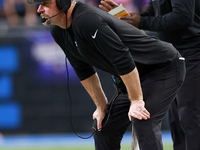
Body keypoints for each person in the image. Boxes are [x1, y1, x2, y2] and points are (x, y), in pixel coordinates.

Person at [27, 0, 186, 150]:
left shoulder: (86, 20)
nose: (39, 9)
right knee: (104, 127)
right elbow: (83, 69)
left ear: (63, 3)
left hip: (163, 67)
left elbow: (122, 58)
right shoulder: (58, 30)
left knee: (143, 119)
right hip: (134, 76)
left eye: (45, 4)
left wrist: (136, 100)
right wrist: (101, 106)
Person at [99, 0, 200, 150]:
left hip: (191, 52)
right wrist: (124, 17)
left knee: (189, 116)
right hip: (173, 56)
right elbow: (151, 15)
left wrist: (142, 21)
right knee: (177, 120)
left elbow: (183, 17)